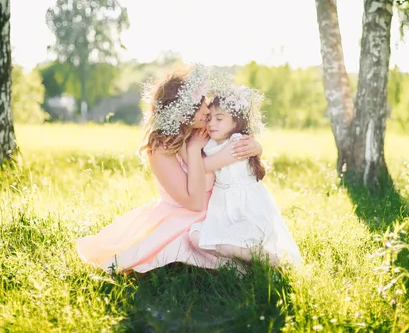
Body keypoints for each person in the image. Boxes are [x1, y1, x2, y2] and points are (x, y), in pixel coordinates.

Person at [75, 65, 263, 273]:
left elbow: (234, 143)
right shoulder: (161, 149)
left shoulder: (202, 130)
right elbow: (195, 203)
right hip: (185, 218)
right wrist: (192, 150)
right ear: (183, 112)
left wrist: (256, 148)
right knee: (198, 250)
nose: (208, 110)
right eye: (200, 105)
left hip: (220, 209)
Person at [189, 83, 303, 267]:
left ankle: (277, 263)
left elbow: (203, 165)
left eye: (219, 118)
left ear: (236, 122)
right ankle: (241, 269)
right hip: (223, 207)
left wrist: (193, 148)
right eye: (209, 118)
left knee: (229, 245)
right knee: (197, 237)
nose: (211, 123)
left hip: (246, 207)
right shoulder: (210, 141)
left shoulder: (237, 143)